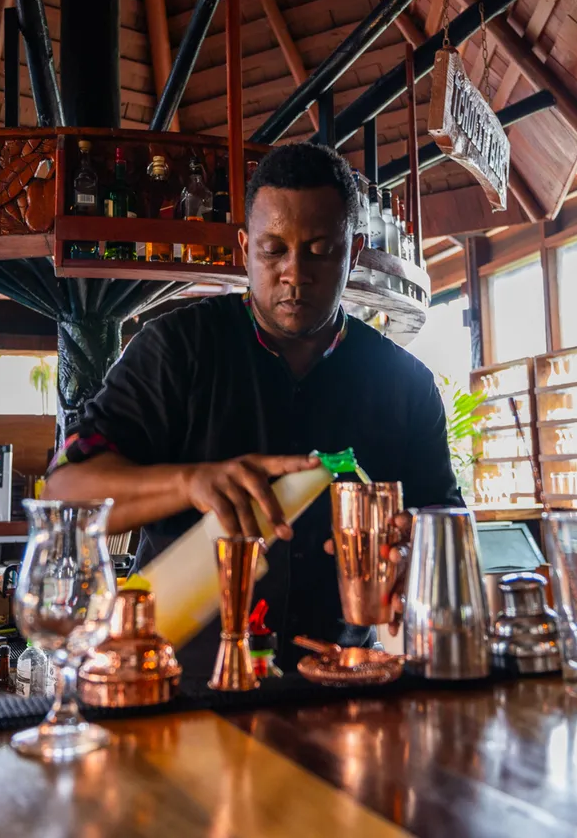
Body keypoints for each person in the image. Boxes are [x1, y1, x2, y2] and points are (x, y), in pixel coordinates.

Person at [44, 142, 460, 666]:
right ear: (244, 247)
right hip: (175, 679)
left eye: (319, 250)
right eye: (273, 250)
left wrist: (415, 549)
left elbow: (447, 526)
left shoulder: (407, 386)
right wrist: (189, 482)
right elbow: (63, 492)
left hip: (336, 681)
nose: (294, 273)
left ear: (353, 251)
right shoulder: (175, 349)